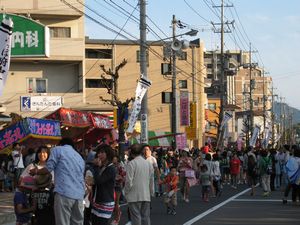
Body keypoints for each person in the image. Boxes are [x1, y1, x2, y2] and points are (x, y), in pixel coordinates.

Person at [30, 138, 85, 225]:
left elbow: (48, 168)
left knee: (62, 222)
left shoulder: (57, 150)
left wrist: (36, 171)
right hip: (79, 196)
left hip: (64, 192)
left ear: (60, 144)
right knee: (77, 223)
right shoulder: (79, 157)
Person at [124, 144, 154, 225]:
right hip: (146, 195)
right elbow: (151, 180)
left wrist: (126, 192)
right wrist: (151, 191)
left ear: (131, 153)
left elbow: (128, 181)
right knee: (146, 217)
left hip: (134, 195)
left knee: (136, 217)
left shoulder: (132, 163)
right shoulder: (148, 164)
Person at [91, 144, 116, 225]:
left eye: (102, 152)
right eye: (98, 153)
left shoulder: (111, 168)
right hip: (98, 200)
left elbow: (99, 181)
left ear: (108, 154)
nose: (99, 155)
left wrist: (96, 167)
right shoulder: (103, 166)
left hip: (105, 202)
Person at [111, 155, 126, 225]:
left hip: (117, 186)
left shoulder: (120, 166)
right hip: (111, 186)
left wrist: (118, 177)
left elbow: (123, 176)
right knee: (113, 203)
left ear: (117, 159)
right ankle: (117, 214)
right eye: (112, 159)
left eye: (114, 159)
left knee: (116, 203)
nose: (113, 160)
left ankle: (116, 218)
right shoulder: (110, 166)